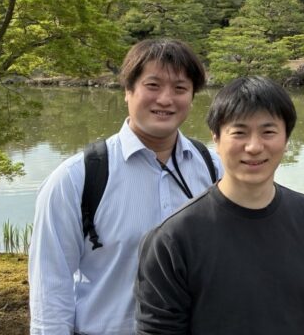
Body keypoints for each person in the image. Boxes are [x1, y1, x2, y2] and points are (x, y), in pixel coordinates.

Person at [29, 39, 221, 335]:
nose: (166, 99)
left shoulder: (214, 169)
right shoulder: (76, 178)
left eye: (180, 88)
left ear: (192, 97)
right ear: (127, 91)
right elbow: (51, 287)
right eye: (153, 85)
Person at [135, 76, 304, 335]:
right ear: (216, 138)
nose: (254, 147)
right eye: (239, 132)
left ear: (286, 138)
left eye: (268, 132)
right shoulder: (173, 238)